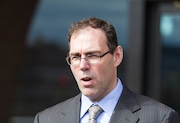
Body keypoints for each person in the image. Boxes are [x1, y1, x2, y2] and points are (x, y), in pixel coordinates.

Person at [34, 17, 180, 123]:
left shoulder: (160, 118)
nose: (83, 65)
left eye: (92, 55)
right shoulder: (46, 119)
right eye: (76, 57)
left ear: (117, 56)